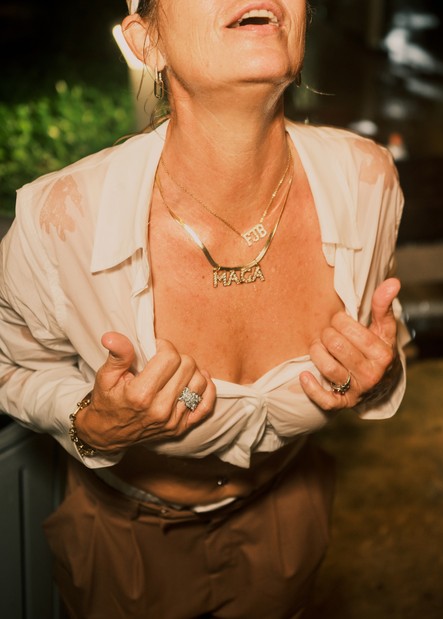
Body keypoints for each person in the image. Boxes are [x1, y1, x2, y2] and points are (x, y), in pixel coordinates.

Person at [0, 1, 407, 617]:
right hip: (126, 542)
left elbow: (383, 336)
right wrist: (89, 421)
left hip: (286, 517)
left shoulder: (367, 180)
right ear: (146, 41)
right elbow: (11, 366)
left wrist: (379, 377)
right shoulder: (57, 218)